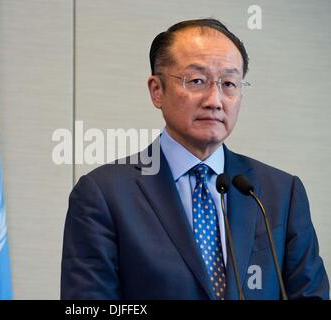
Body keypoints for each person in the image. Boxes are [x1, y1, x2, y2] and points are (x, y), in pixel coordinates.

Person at [60, 18, 329, 300]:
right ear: (156, 90)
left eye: (228, 83)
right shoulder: (103, 194)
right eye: (197, 80)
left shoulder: (281, 193)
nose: (214, 100)